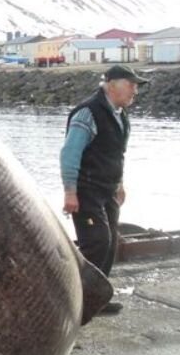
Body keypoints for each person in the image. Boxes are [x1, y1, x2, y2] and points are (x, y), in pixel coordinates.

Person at [60, 64, 149, 313]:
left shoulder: (120, 115)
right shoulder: (88, 113)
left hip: (107, 189)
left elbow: (115, 154)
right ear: (112, 84)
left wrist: (119, 185)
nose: (135, 91)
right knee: (96, 242)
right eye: (131, 85)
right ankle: (74, 304)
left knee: (109, 244)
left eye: (136, 86)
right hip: (86, 189)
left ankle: (96, 300)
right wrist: (70, 191)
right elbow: (69, 154)